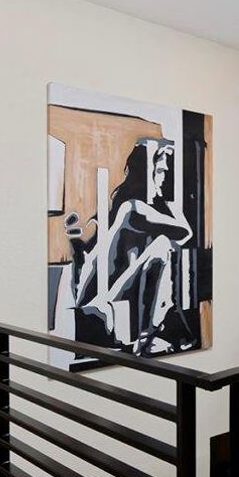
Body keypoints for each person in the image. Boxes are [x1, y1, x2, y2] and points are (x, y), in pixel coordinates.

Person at [71, 138, 194, 355]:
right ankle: (146, 338)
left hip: (109, 305)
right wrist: (171, 200)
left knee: (164, 246)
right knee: (163, 246)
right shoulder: (133, 209)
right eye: (161, 171)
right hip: (99, 307)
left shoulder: (127, 210)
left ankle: (159, 332)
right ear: (146, 173)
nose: (164, 178)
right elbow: (185, 232)